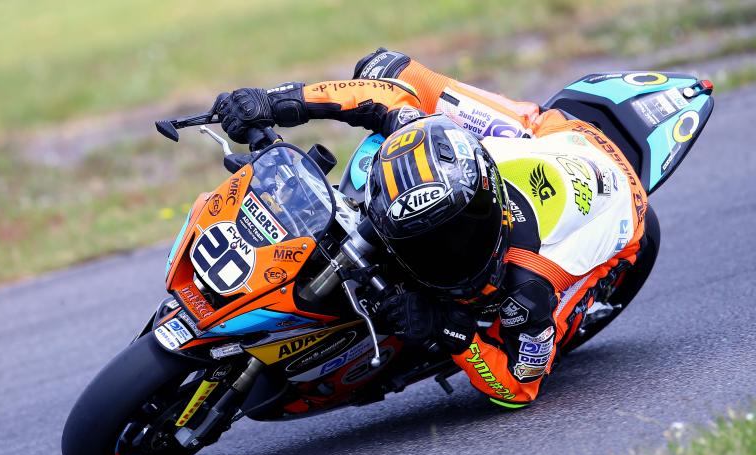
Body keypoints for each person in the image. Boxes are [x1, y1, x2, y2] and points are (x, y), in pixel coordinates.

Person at [212, 48, 653, 408]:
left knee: (511, 333)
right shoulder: (441, 145)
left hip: (621, 206)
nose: (441, 256)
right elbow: (378, 95)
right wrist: (276, 102)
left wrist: (450, 329)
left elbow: (519, 388)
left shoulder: (529, 286)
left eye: (453, 245)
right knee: (384, 68)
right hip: (547, 135)